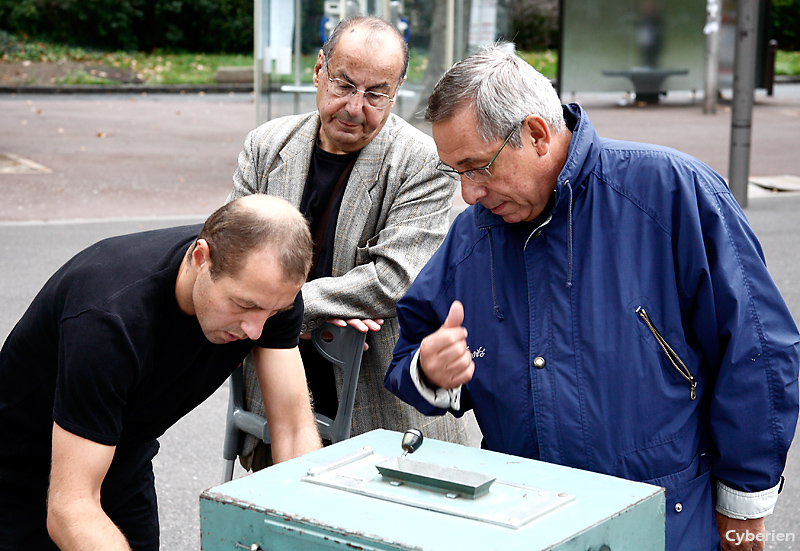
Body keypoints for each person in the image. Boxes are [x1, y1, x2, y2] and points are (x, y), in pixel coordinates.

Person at [384, 43, 799, 551]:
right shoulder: (474, 236)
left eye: (477, 167)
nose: (469, 194)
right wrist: (428, 370)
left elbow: (757, 352)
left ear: (536, 134)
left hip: (661, 520)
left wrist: (743, 508)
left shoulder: (672, 191)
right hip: (522, 522)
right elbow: (409, 349)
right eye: (457, 173)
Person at [0, 195, 321, 551]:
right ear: (201, 258)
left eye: (273, 312)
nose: (256, 330)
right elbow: (70, 506)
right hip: (19, 466)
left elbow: (293, 430)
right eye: (243, 305)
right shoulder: (109, 319)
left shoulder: (267, 296)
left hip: (125, 452)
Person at [227, 14, 469, 469]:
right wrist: (324, 307)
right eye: (343, 84)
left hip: (381, 416)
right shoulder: (265, 146)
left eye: (376, 93)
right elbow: (226, 259)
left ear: (395, 93)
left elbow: (392, 280)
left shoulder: (423, 163)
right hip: (274, 402)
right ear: (319, 71)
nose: (355, 107)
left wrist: (280, 305)